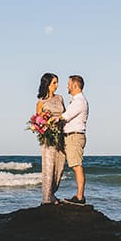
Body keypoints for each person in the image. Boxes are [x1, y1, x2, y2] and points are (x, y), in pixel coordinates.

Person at [35, 72, 66, 206]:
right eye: (54, 83)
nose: (57, 85)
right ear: (47, 84)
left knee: (59, 166)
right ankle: (46, 198)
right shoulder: (41, 102)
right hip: (48, 137)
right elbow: (37, 121)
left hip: (62, 135)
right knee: (49, 167)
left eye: (57, 82)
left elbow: (65, 115)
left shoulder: (60, 98)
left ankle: (52, 193)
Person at [60, 75, 89, 205]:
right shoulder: (76, 101)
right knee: (75, 165)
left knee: (77, 166)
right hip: (72, 136)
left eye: (69, 84)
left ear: (75, 85)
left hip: (74, 136)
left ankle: (80, 197)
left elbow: (65, 117)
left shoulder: (79, 101)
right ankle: (79, 196)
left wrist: (46, 121)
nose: (67, 86)